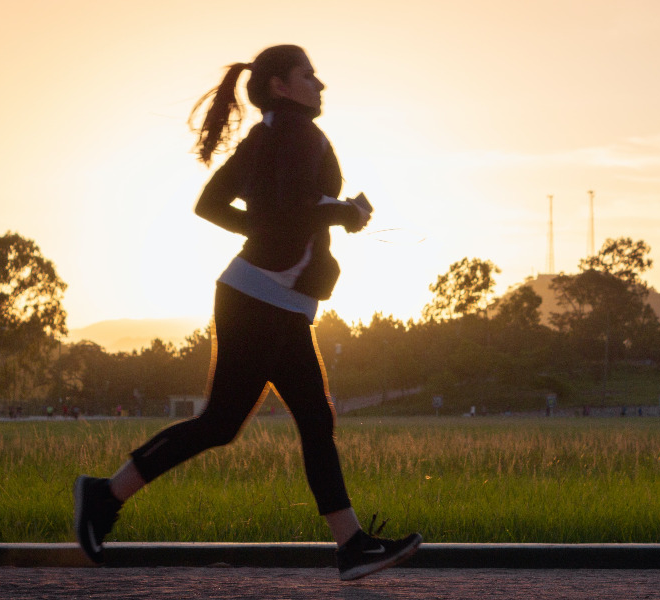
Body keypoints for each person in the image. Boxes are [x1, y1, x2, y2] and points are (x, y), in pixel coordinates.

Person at [73, 44, 421, 581]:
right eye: (309, 74)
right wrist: (346, 212)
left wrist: (272, 230)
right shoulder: (296, 136)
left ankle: (351, 545)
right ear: (282, 85)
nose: (320, 84)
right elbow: (289, 209)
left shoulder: (267, 136)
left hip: (269, 297)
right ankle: (103, 495)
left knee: (312, 418)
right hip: (259, 298)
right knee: (224, 422)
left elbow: (213, 205)